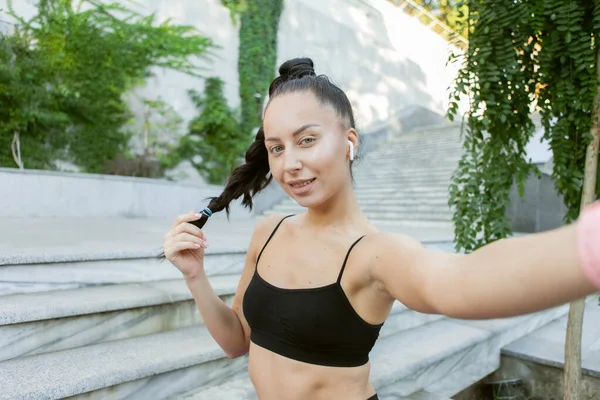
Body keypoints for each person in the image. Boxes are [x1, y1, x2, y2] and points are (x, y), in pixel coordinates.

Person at [162, 57, 600, 400]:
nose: (289, 162)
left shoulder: (376, 253)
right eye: (277, 148)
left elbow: (463, 282)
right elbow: (239, 342)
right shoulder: (270, 230)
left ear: (349, 142)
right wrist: (195, 276)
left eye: (307, 140)